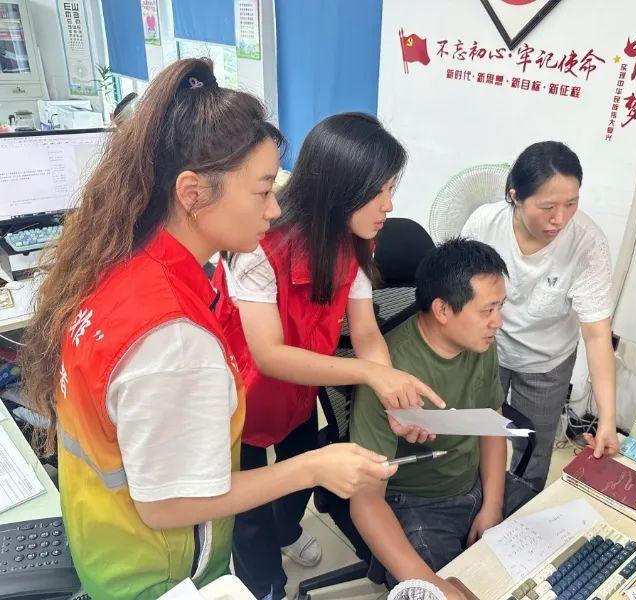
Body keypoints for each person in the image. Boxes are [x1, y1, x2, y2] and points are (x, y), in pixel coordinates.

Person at [20, 58, 396, 600]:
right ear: (192, 192)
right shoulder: (172, 337)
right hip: (158, 572)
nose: (274, 210)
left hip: (104, 538)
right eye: (262, 191)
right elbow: (168, 505)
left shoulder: (122, 264)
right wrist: (312, 467)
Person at [212, 112, 445, 599]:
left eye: (391, 188)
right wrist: (370, 376)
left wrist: (394, 397)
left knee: (299, 473)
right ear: (340, 186)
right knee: (250, 510)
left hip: (300, 392)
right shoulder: (257, 246)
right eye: (379, 190)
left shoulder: (355, 241)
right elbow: (269, 355)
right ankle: (266, 586)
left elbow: (366, 332)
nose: (389, 204)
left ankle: (287, 530)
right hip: (241, 398)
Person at [349, 238, 536, 599]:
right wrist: (435, 586)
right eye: (487, 310)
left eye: (500, 307)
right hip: (417, 502)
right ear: (443, 309)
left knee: (555, 548)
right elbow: (366, 502)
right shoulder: (389, 374)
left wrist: (492, 505)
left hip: (475, 481)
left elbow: (491, 423)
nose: (498, 322)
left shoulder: (479, 342)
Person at [462, 141, 618, 493]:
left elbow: (597, 335)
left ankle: (520, 507)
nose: (560, 218)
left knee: (533, 448)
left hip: (548, 363)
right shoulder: (485, 224)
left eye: (571, 203)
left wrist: (607, 418)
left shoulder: (587, 245)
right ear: (515, 197)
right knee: (474, 435)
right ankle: (471, 501)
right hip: (486, 350)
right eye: (547, 207)